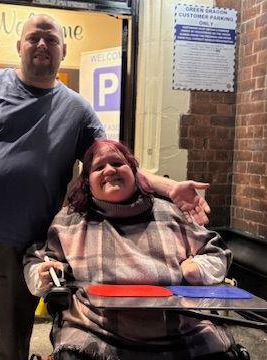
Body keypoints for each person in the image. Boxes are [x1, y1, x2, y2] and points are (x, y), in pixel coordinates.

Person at [0, 14, 211, 360]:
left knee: (12, 351)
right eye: (33, 38)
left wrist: (170, 187)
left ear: (63, 50)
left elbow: (113, 161)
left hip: (17, 256)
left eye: (51, 39)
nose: (42, 44)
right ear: (19, 47)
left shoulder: (76, 110)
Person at [24, 139, 235, 360]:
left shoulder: (170, 213)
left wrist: (198, 269)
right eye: (98, 167)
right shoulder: (70, 220)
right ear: (87, 181)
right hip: (94, 331)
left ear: (135, 172)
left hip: (179, 329)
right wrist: (43, 272)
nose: (109, 170)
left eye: (117, 162)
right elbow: (37, 258)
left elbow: (218, 252)